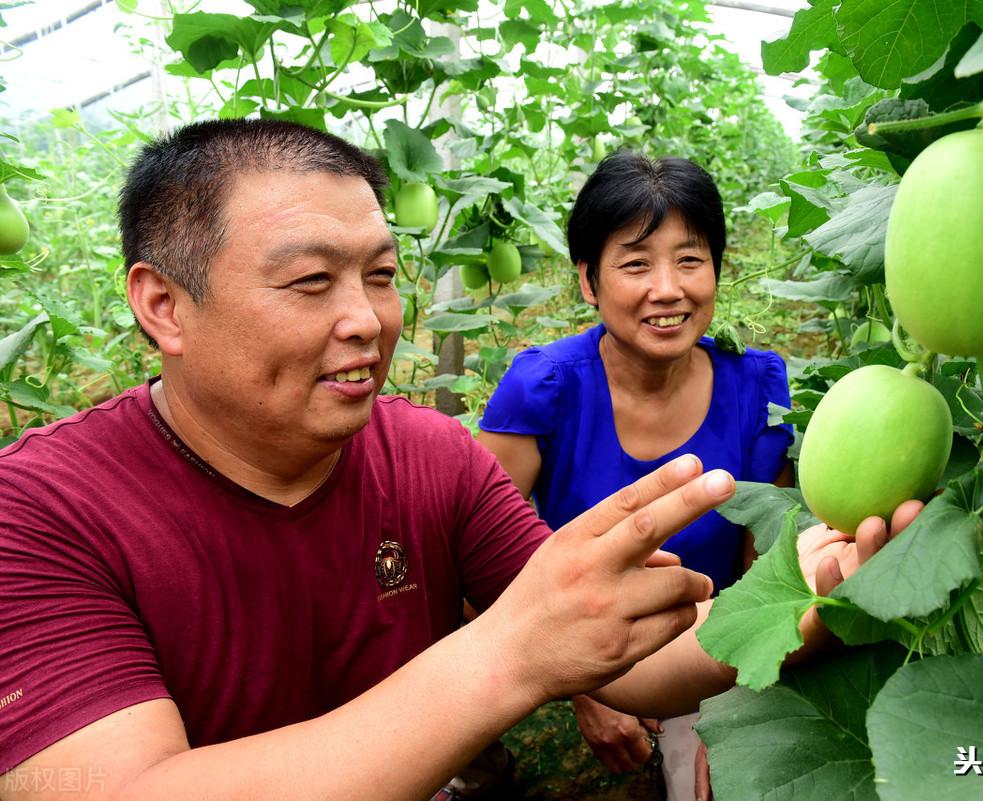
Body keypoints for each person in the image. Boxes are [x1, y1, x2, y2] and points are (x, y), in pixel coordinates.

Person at [0, 119, 921, 801]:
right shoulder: (41, 510)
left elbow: (630, 658)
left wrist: (802, 606)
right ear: (163, 305)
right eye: (312, 282)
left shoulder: (433, 458)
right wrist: (508, 653)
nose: (367, 317)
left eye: (382, 274)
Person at [476, 152, 791, 798]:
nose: (668, 287)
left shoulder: (757, 385)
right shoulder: (544, 388)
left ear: (718, 269)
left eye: (690, 258)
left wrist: (737, 713)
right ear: (589, 281)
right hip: (561, 665)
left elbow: (769, 576)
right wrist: (585, 689)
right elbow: (482, 570)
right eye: (637, 262)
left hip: (706, 660)